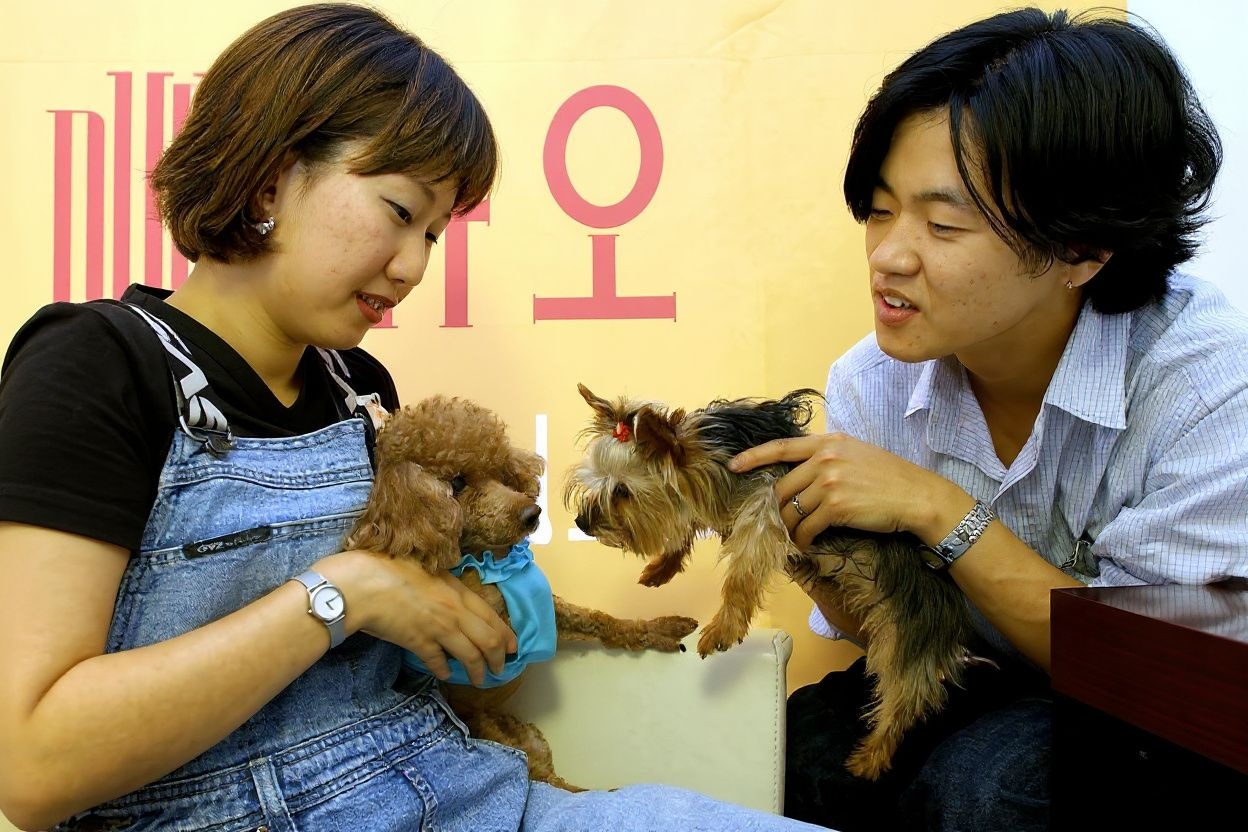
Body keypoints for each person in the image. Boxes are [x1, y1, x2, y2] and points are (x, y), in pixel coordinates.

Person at [0, 5, 830, 831]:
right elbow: (30, 766)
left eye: (436, 234)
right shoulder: (97, 363)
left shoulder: (361, 390)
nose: (413, 266)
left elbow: (433, 659)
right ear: (268, 178)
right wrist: (343, 594)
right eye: (401, 212)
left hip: (473, 795)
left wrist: (479, 625)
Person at [729, 7, 1247, 832]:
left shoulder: (1207, 383)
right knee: (795, 753)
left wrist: (940, 511)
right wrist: (812, 554)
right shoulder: (869, 383)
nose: (890, 256)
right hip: (979, 674)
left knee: (988, 791)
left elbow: (1154, 675)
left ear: (1083, 250)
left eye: (943, 225)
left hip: (1167, 712)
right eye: (879, 208)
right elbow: (885, 636)